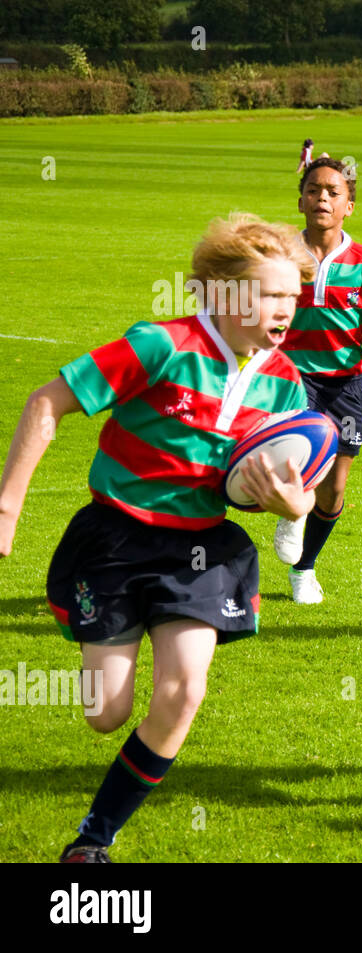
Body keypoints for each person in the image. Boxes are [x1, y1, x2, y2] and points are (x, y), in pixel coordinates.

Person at [0, 214, 318, 862]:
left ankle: (94, 839)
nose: (285, 309)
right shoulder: (161, 346)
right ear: (225, 293)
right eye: (269, 295)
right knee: (106, 712)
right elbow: (45, 402)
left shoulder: (285, 382)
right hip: (114, 541)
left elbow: (297, 489)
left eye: (292, 295)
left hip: (201, 553)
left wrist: (292, 506)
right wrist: (6, 508)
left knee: (184, 691)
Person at [274, 157, 362, 603]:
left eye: (334, 192)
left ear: (349, 206)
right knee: (302, 465)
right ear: (300, 201)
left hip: (347, 385)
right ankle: (294, 511)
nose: (323, 199)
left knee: (334, 489)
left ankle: (304, 568)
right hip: (294, 378)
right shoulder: (281, 258)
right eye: (314, 190)